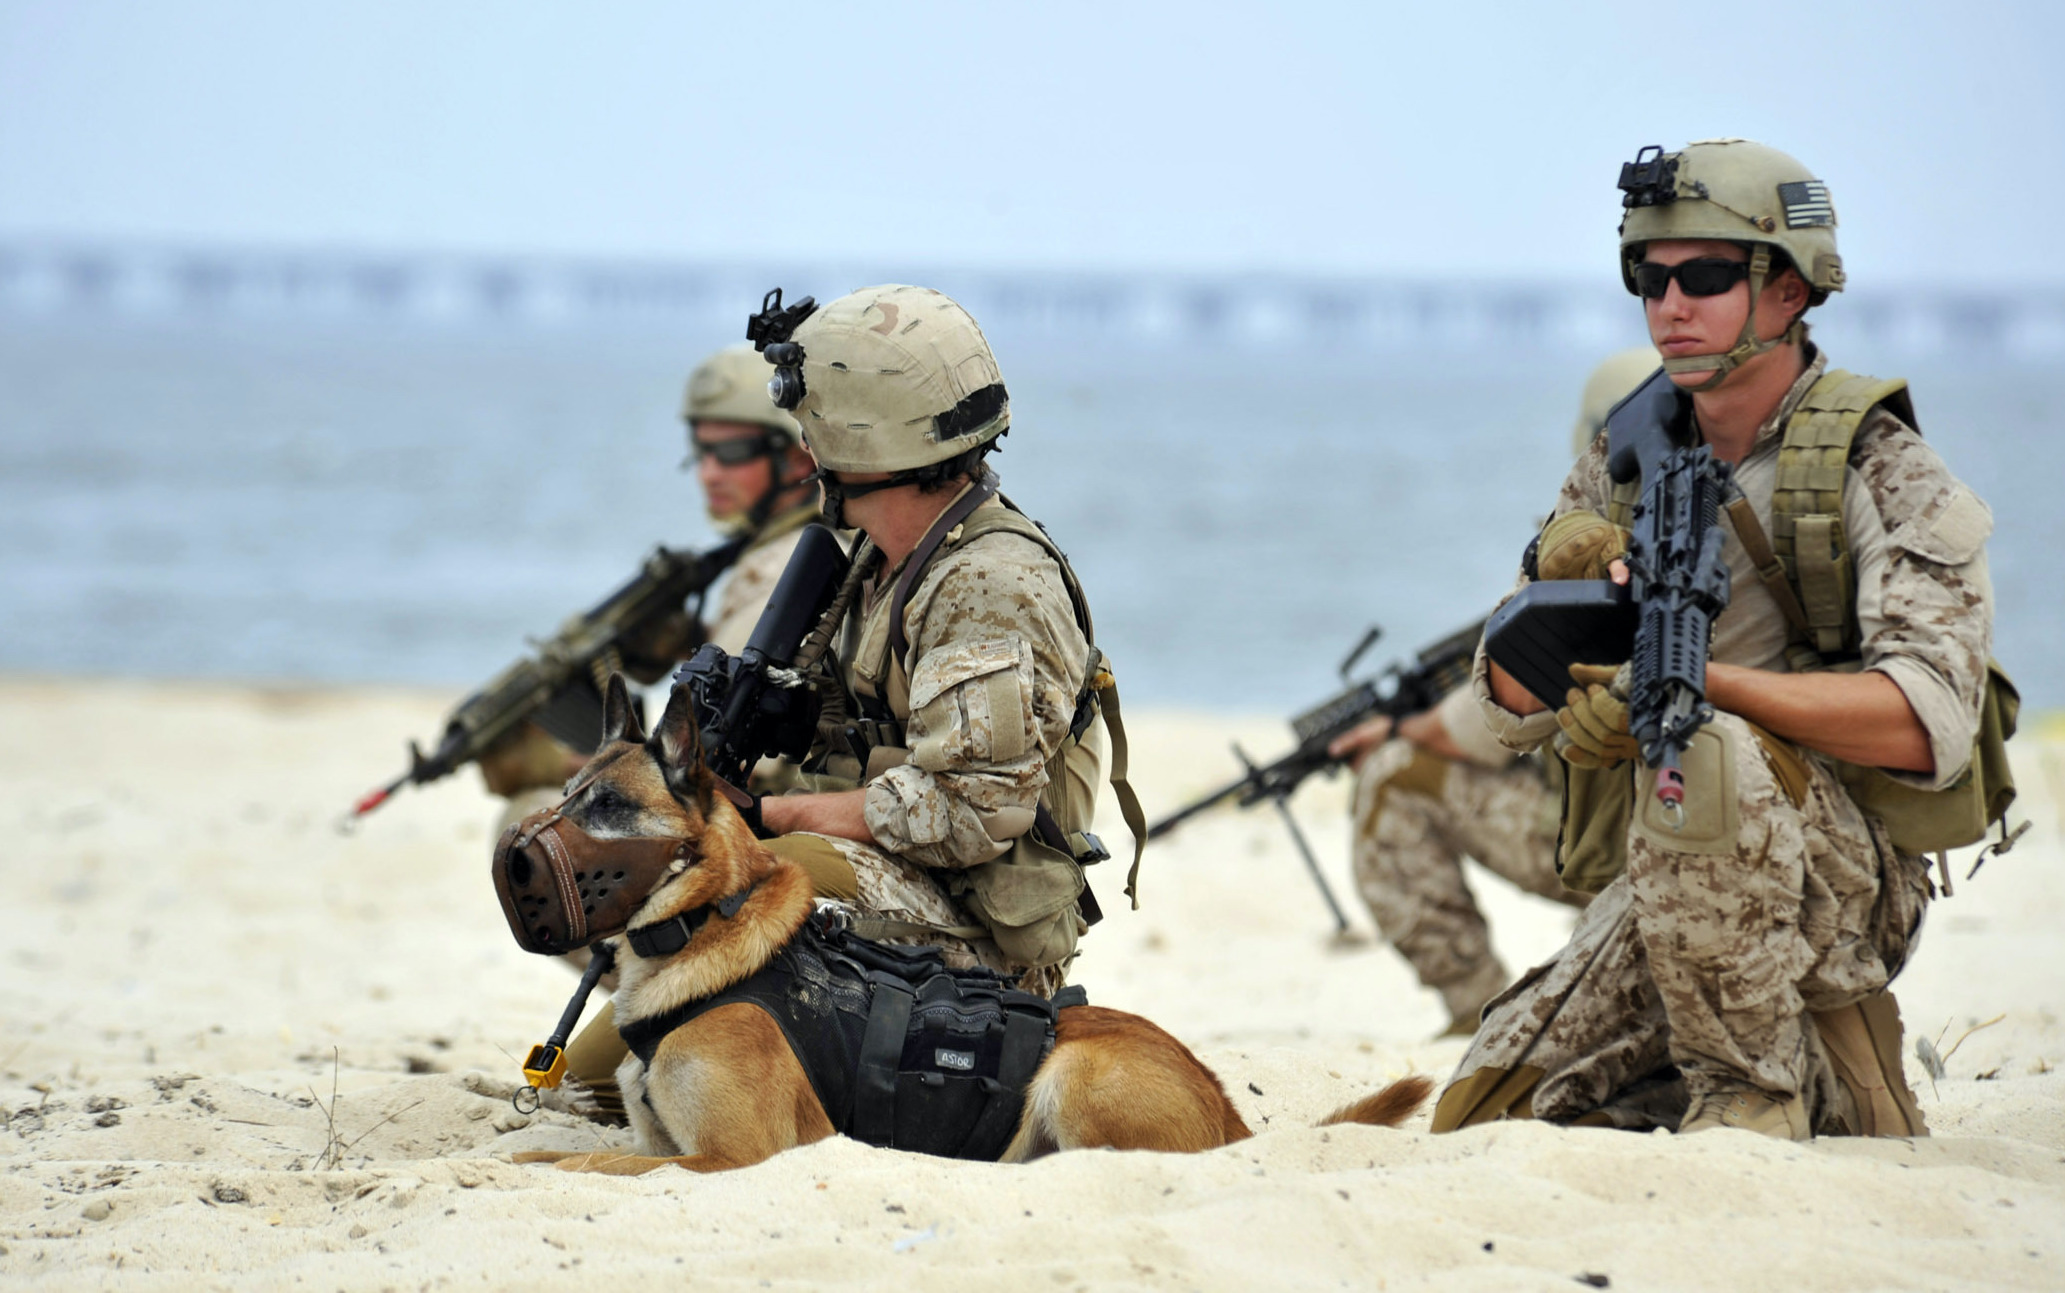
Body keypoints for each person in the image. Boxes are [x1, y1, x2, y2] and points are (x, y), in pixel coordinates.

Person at [1435, 139, 1993, 1140]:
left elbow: (1927, 724)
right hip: (1671, 861)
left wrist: (1708, 687)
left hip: (1840, 870)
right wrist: (1564, 627)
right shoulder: (1622, 458)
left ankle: (1755, 1096)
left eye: (1702, 278)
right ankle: (1819, 1072)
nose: (1668, 309)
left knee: (1706, 747)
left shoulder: (1880, 467)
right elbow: (1499, 709)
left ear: (1787, 291)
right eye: (1647, 280)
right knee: (1485, 1112)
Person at [751, 283, 1134, 1001]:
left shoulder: (985, 585)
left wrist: (776, 815)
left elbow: (970, 812)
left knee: (753, 895)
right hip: (913, 888)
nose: (803, 441)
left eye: (811, 421)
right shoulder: (885, 557)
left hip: (980, 942)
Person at [1326, 350, 1652, 1037]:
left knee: (1391, 781)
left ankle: (1473, 1010)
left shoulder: (1582, 549)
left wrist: (1396, 732)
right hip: (1726, 823)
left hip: (1619, 844)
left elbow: (1485, 724)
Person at [477, 344, 820, 830]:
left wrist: (556, 765)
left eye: (731, 452)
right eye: (701, 452)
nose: (708, 473)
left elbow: (709, 770)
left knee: (532, 822)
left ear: (795, 458)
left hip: (756, 826)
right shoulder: (778, 551)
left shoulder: (780, 569)